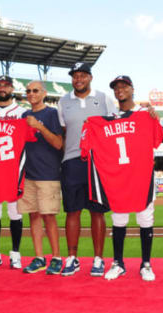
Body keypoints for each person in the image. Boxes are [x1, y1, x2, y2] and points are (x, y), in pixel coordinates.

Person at [95, 76, 163, 281]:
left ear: (132, 89)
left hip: (142, 175)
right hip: (118, 176)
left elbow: (162, 137)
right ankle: (118, 263)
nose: (120, 90)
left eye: (124, 86)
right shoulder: (109, 116)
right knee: (119, 219)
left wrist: (156, 119)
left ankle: (146, 264)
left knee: (145, 218)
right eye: (116, 88)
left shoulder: (145, 114)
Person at [57, 62, 117, 276]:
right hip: (72, 161)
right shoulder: (63, 101)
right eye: (75, 76)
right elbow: (63, 132)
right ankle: (72, 258)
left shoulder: (104, 98)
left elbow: (114, 128)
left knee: (97, 212)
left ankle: (98, 259)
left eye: (82, 75)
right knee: (72, 211)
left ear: (90, 77)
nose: (78, 79)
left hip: (97, 162)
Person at [18, 81, 64, 274]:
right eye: (28, 91)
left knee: (49, 217)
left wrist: (39, 127)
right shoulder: (23, 115)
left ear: (44, 93)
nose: (31, 93)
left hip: (48, 174)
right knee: (34, 216)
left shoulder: (51, 114)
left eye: (35, 90)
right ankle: (39, 258)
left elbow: (58, 143)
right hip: (28, 173)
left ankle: (56, 257)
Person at [0, 75, 27, 270]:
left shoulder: (22, 112)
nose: (2, 88)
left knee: (15, 213)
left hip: (13, 169)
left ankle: (15, 254)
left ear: (12, 89)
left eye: (6, 86)